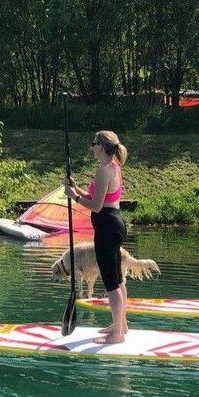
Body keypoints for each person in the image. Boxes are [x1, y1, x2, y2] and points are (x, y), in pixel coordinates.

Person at [64, 130, 129, 344]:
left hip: (107, 228)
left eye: (93, 144)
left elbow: (96, 206)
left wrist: (74, 198)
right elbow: (96, 196)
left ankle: (117, 335)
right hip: (115, 223)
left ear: (101, 146)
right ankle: (122, 325)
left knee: (111, 284)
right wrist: (77, 189)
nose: (91, 148)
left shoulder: (103, 171)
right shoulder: (114, 167)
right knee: (118, 279)